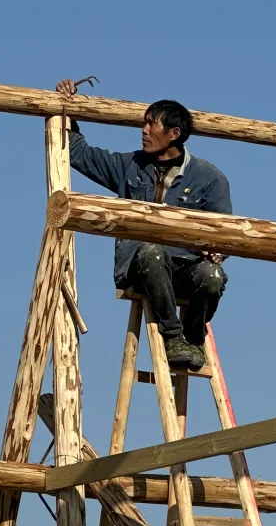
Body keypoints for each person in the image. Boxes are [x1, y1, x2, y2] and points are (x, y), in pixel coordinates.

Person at [55, 79, 232, 371]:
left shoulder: (209, 178)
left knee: (212, 275)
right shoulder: (131, 166)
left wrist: (217, 252)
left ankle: (193, 336)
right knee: (151, 250)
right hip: (142, 267)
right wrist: (68, 108)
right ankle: (173, 337)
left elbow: (226, 232)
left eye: (151, 125)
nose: (144, 130)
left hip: (185, 268)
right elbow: (80, 155)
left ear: (174, 134)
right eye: (144, 123)